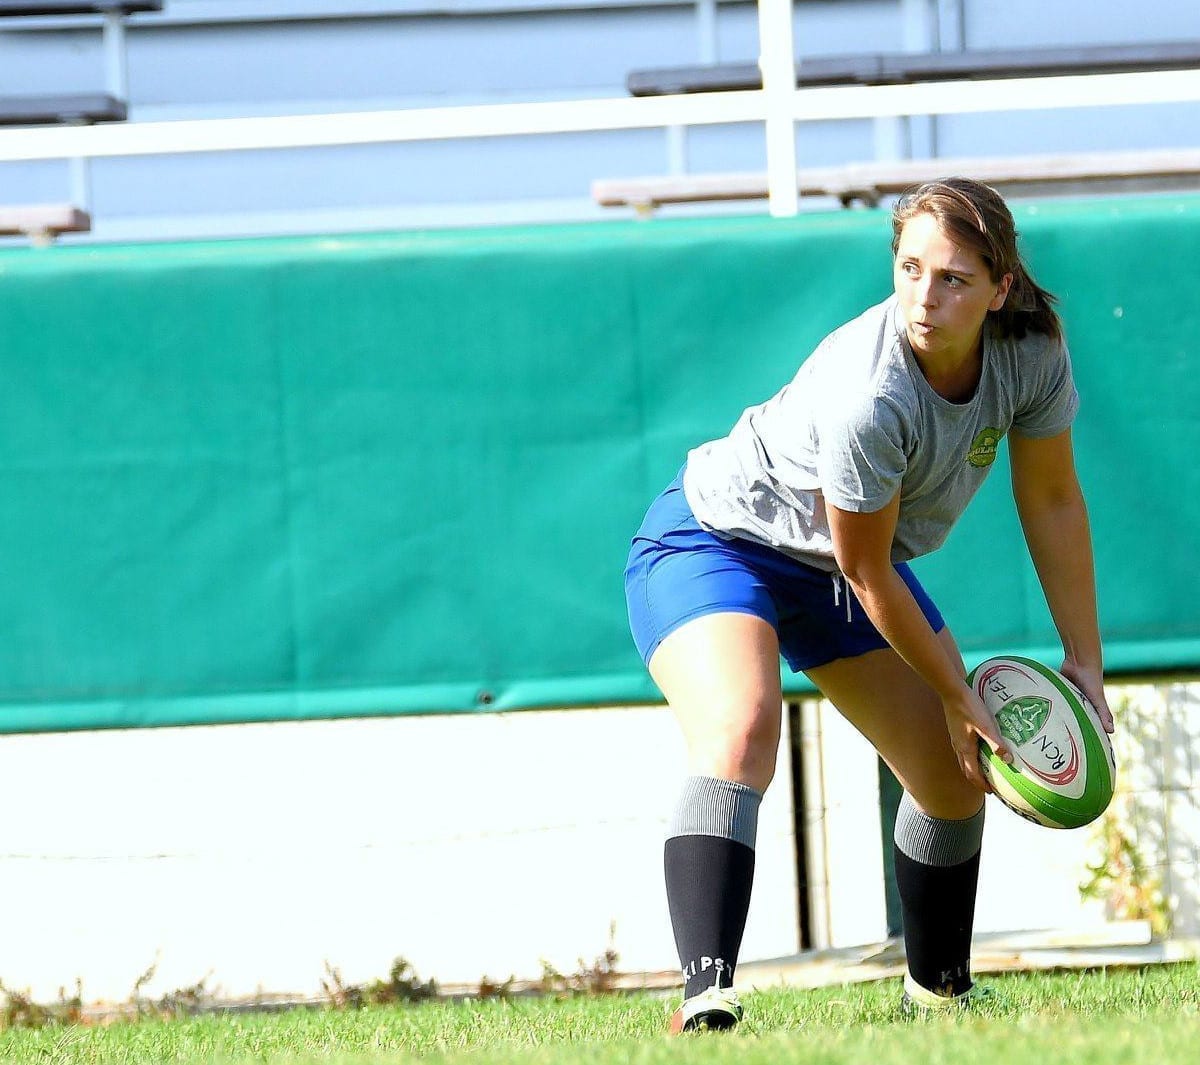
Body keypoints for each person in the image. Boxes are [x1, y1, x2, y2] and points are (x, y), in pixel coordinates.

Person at [623, 177, 1114, 1033]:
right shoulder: (870, 392)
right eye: (910, 268)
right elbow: (867, 574)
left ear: (1001, 288)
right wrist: (957, 692)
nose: (925, 297)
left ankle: (940, 995)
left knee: (953, 773)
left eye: (954, 278)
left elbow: (1052, 500)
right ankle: (706, 1000)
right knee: (741, 727)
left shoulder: (1032, 350)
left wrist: (1086, 660)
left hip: (844, 560)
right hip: (717, 541)